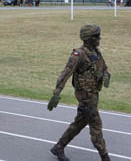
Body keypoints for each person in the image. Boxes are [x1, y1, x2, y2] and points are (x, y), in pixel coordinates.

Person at [47, 25, 111, 161]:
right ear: (88, 38)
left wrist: (106, 75)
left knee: (79, 123)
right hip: (85, 96)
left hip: (94, 94)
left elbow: (104, 68)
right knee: (96, 126)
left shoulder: (96, 52)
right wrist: (57, 92)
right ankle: (105, 156)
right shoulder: (79, 54)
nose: (99, 38)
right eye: (96, 36)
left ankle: (59, 147)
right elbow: (66, 73)